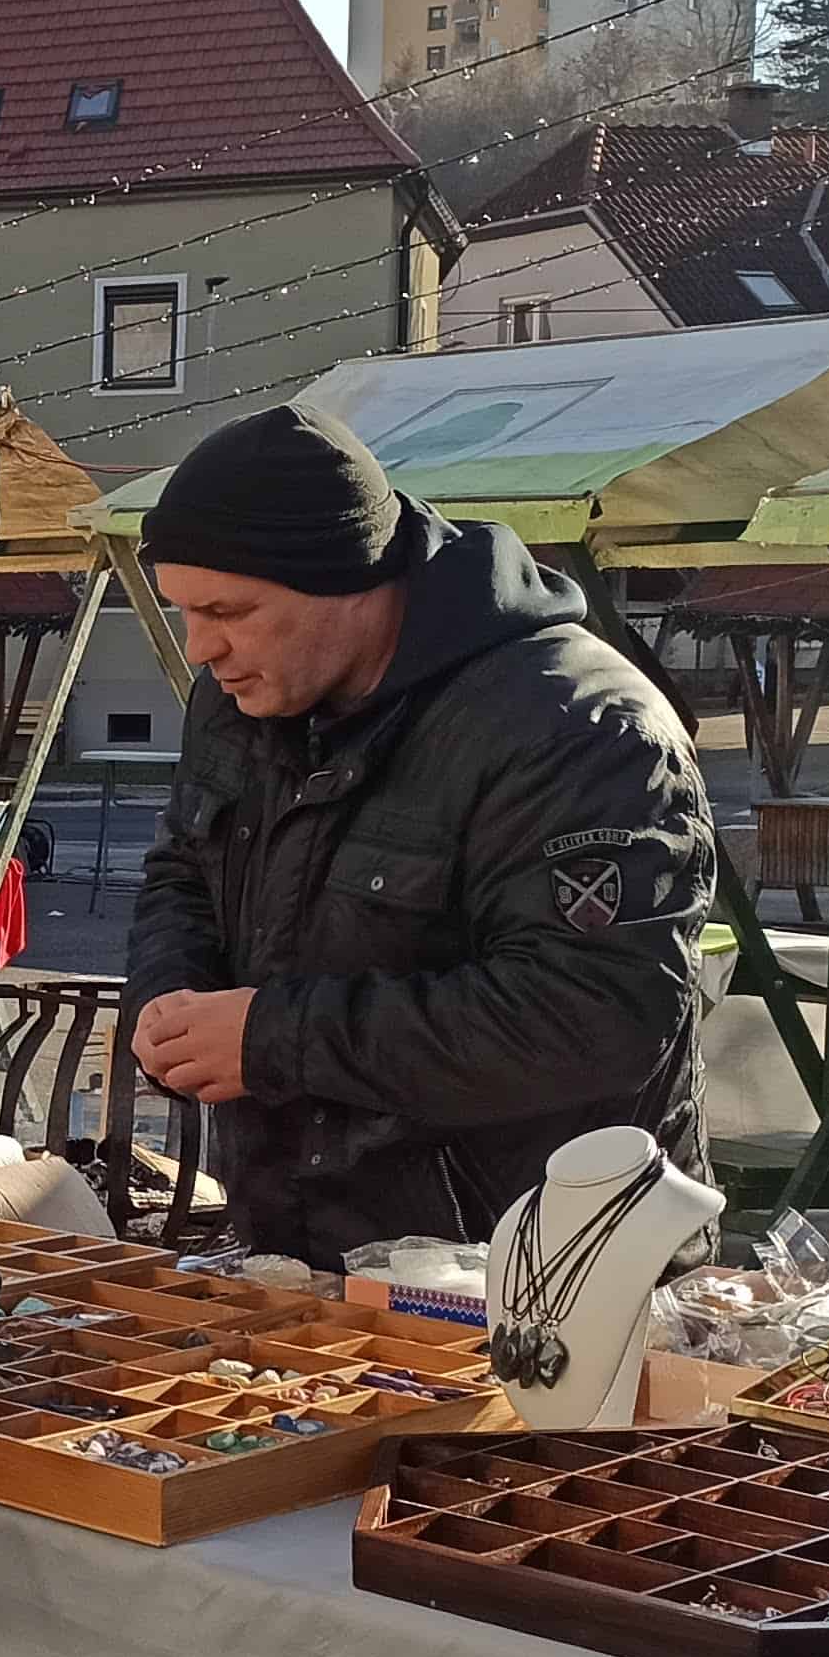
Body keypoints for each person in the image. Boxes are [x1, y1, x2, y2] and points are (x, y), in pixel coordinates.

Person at [124, 406, 711, 1265]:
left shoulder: (579, 727)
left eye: (229, 610)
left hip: (536, 1278)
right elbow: (183, 868)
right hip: (300, 1244)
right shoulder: (244, 694)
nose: (201, 646)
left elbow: (596, 1017)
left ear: (347, 580)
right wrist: (168, 1004)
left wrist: (271, 1039)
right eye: (184, 611)